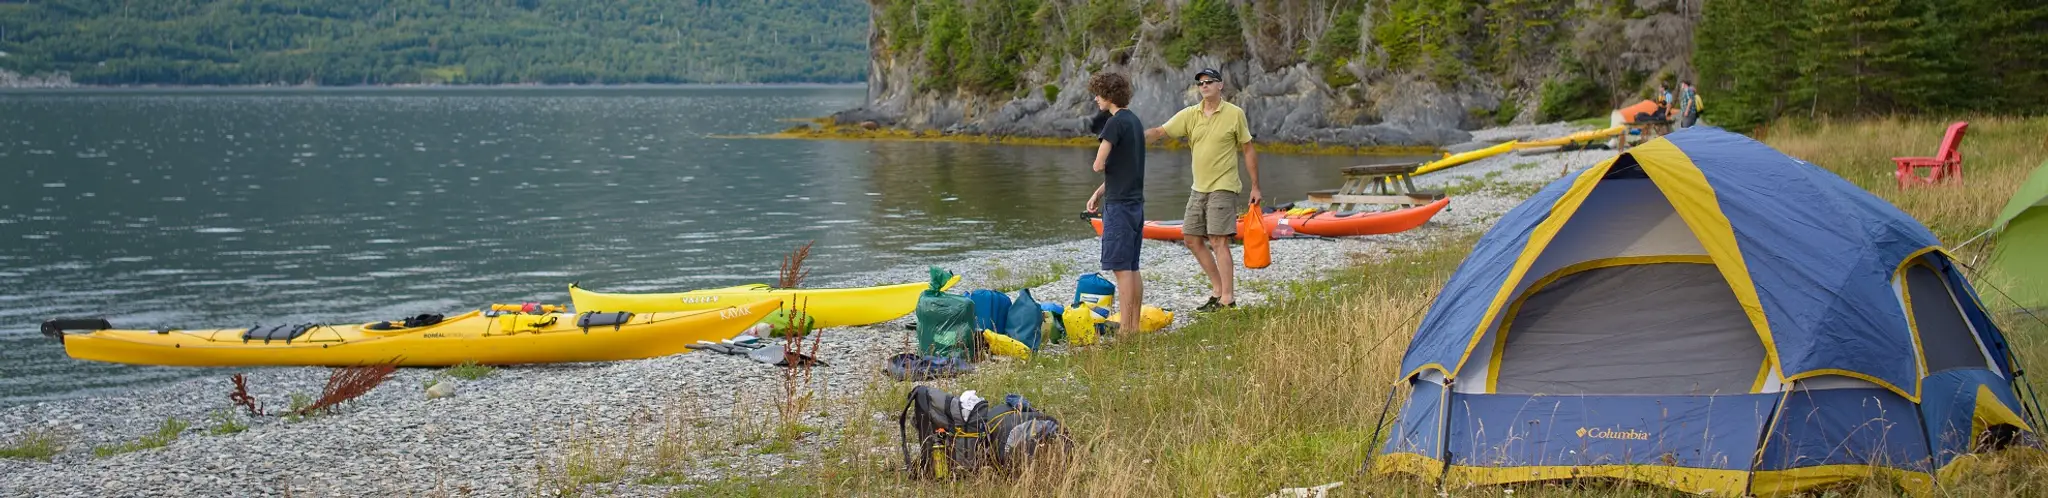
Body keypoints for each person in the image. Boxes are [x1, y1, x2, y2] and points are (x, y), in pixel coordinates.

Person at [1144, 68, 1259, 312]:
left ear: (1220, 85)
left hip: (1224, 186)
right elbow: (1159, 133)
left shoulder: (1234, 114)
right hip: (1199, 188)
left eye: (1209, 82)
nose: (1204, 85)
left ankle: (1228, 299)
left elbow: (1248, 149)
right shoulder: (1190, 114)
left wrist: (1255, 187)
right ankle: (1218, 290)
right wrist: (1129, 137)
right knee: (1192, 239)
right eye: (1200, 83)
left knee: (1218, 240)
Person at [1083, 72, 1145, 336]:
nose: (1096, 99)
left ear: (1109, 96)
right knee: (1132, 266)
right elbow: (1125, 168)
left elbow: (1099, 164)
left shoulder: (1113, 124)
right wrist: (1099, 193)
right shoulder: (1134, 122)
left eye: (1098, 94)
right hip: (1135, 204)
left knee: (1121, 269)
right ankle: (1133, 324)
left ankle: (1127, 330)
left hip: (1119, 207)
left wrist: (1100, 166)